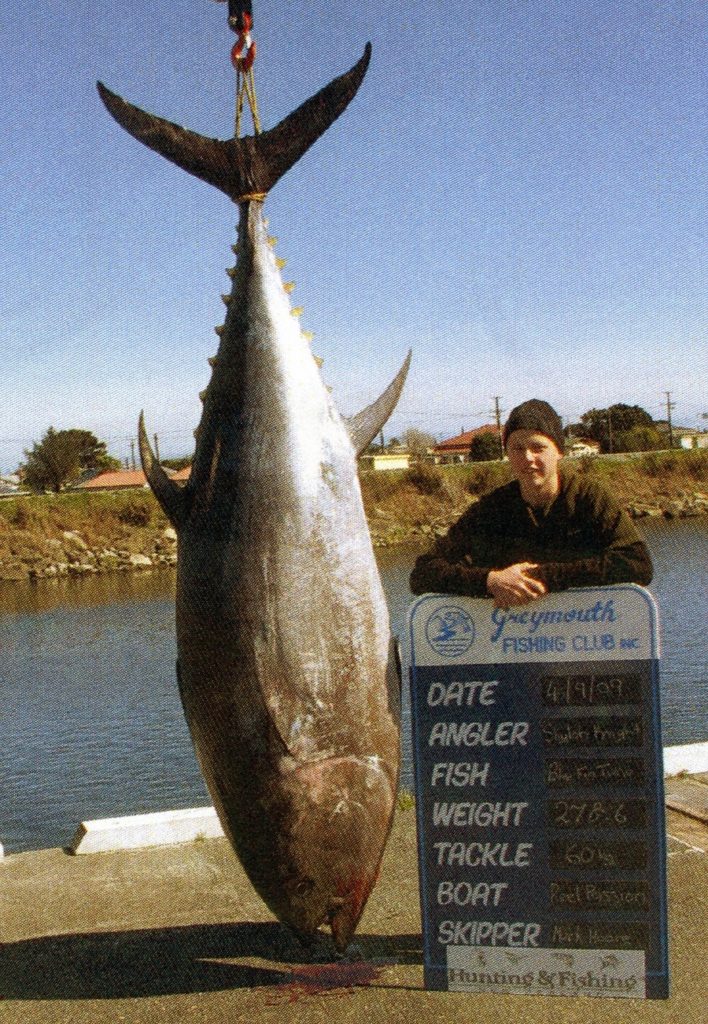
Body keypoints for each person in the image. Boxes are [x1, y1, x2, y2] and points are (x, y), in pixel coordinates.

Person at [409, 399, 653, 607]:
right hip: (512, 643)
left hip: (583, 638)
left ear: (558, 451)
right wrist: (490, 581)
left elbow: (636, 563)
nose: (528, 458)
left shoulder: (589, 496)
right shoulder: (492, 509)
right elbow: (423, 574)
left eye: (538, 448)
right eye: (517, 448)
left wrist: (542, 577)